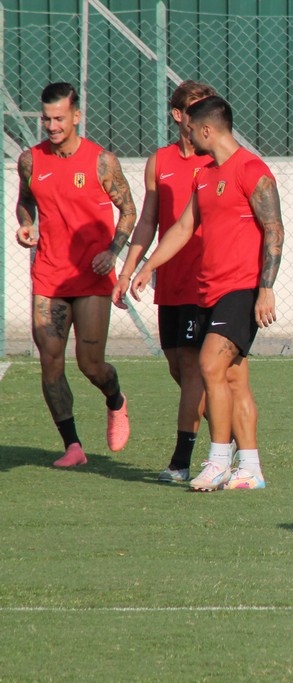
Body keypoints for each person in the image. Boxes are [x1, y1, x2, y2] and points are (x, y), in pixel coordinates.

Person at [130, 95, 284, 492]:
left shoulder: (251, 170)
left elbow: (274, 229)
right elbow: (183, 228)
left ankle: (217, 462)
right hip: (208, 291)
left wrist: (265, 288)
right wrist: (148, 266)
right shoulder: (204, 175)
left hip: (242, 289)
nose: (188, 135)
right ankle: (250, 469)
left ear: (207, 129)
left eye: (192, 129)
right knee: (233, 380)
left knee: (209, 365)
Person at [15, 82, 135, 467]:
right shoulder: (30, 160)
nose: (52, 126)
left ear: (77, 117)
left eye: (59, 119)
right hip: (49, 277)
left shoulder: (102, 162)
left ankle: (115, 399)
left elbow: (129, 211)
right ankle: (73, 446)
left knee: (90, 364)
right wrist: (26, 225)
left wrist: (112, 251)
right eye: (46, 119)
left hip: (91, 278)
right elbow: (25, 202)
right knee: (50, 361)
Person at [113, 81, 218, 483]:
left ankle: (180, 462)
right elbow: (148, 220)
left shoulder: (215, 160)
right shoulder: (160, 161)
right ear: (178, 115)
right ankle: (230, 437)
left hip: (204, 280)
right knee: (178, 368)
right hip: (168, 280)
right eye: (196, 108)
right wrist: (128, 270)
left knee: (191, 367)